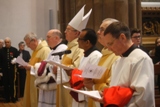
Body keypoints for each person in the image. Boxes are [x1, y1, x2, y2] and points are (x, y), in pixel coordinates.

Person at [99, 22, 155, 107]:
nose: (109, 49)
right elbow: (115, 92)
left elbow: (143, 98)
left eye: (110, 44)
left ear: (122, 37)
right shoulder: (117, 62)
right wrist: (106, 97)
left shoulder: (141, 59)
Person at [56, 5, 92, 107]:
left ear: (77, 33)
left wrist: (61, 69)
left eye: (68, 30)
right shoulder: (69, 46)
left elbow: (78, 69)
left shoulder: (79, 48)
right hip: (64, 85)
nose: (65, 32)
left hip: (70, 86)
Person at [83, 18, 120, 107]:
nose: (98, 32)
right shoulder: (104, 54)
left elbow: (113, 88)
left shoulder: (116, 57)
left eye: (102, 29)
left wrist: (93, 86)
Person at [34, 29, 67, 107]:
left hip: (53, 85)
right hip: (47, 84)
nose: (46, 39)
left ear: (56, 38)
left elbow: (58, 67)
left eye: (48, 37)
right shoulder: (53, 50)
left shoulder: (63, 48)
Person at [70, 28, 102, 107]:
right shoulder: (85, 55)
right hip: (81, 93)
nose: (77, 41)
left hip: (87, 96)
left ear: (87, 42)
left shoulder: (96, 56)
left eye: (80, 39)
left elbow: (91, 79)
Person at [23, 32, 51, 107]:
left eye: (28, 44)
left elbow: (46, 68)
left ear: (34, 40)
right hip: (32, 80)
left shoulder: (45, 50)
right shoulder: (35, 51)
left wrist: (31, 67)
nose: (28, 46)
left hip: (39, 83)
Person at [0, 37, 18, 103]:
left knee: (12, 84)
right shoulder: (1, 50)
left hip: (12, 71)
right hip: (4, 71)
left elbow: (18, 58)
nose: (7, 43)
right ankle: (7, 98)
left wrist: (15, 60)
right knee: (5, 85)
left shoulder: (14, 50)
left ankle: (13, 98)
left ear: (10, 42)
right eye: (6, 42)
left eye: (8, 42)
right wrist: (0, 71)